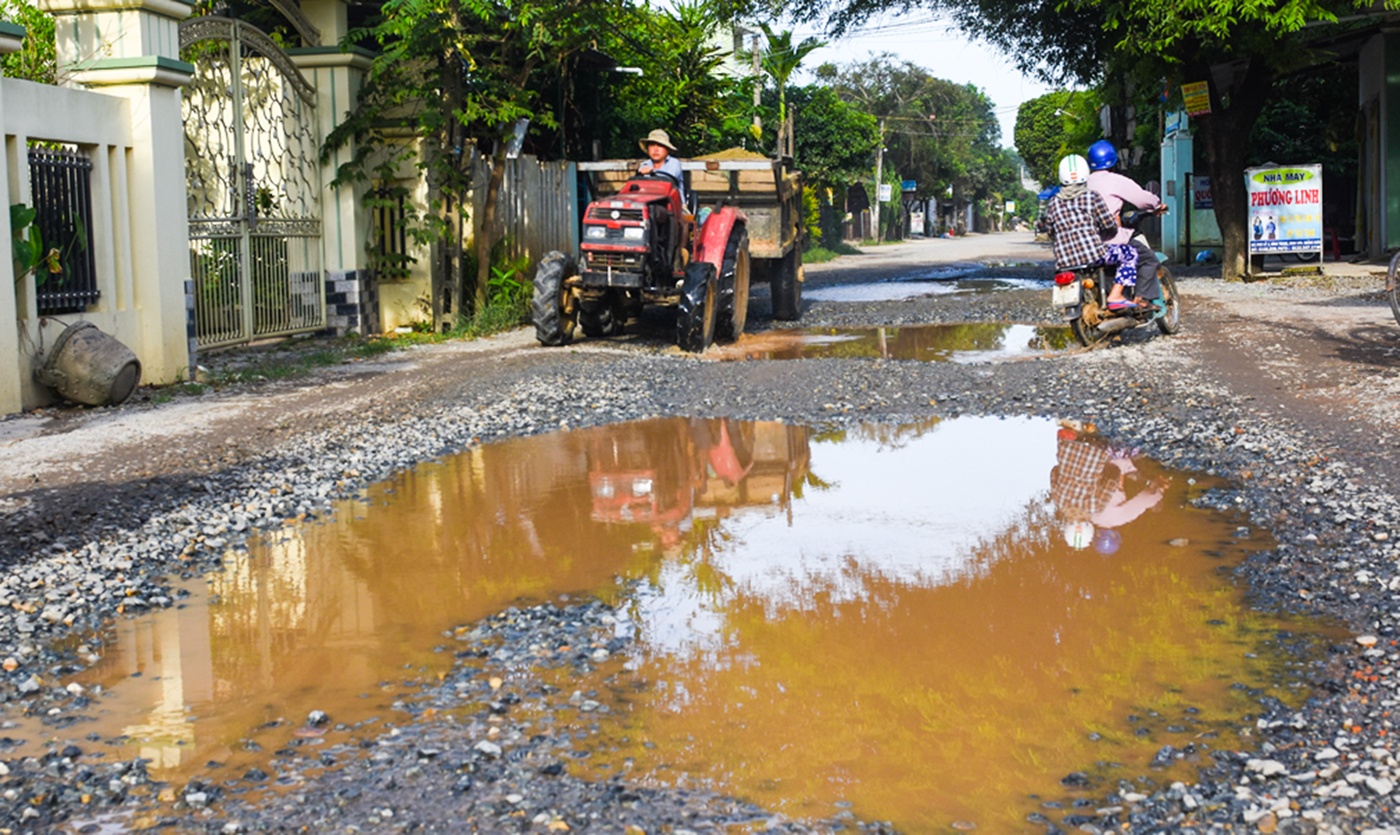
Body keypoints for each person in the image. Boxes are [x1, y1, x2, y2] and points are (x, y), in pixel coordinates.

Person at [1038, 154, 1141, 309]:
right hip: (1095, 255)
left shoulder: (1053, 203)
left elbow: (1051, 231)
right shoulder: (1091, 196)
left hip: (1064, 262)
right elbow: (1108, 224)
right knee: (1130, 253)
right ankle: (1115, 295)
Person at [1085, 140, 1165, 309]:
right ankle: (1141, 299)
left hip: (1085, 244)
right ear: (1113, 160)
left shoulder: (1083, 183)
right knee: (1148, 259)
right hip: (1109, 239)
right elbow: (1144, 200)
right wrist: (1157, 205)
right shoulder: (1115, 180)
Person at [637, 129, 685, 206]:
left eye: (660, 145)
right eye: (652, 145)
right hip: (647, 203)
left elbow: (666, 179)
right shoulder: (644, 165)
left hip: (674, 205)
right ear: (648, 149)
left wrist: (651, 172)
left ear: (667, 149)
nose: (655, 150)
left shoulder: (674, 163)